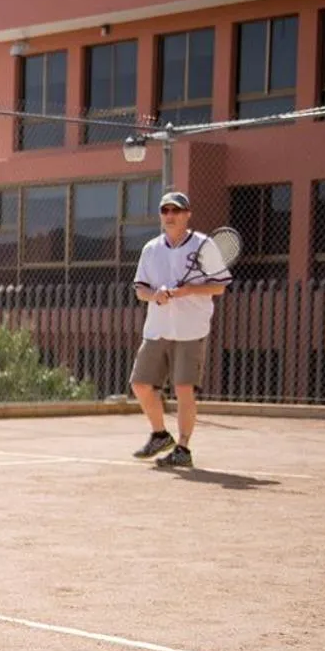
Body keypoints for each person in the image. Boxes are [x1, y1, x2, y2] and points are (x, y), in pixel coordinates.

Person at [129, 190, 230, 468]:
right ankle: (160, 435)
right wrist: (155, 295)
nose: (170, 216)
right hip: (157, 329)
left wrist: (189, 290)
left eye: (176, 210)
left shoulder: (204, 245)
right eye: (165, 211)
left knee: (184, 388)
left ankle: (183, 449)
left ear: (187, 215)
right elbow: (140, 289)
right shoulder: (151, 249)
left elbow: (219, 286)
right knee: (140, 384)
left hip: (191, 330)